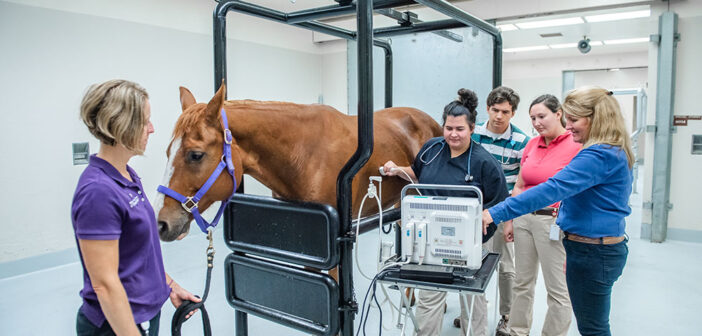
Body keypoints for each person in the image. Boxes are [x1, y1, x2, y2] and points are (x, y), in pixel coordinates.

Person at [483, 87, 633, 336]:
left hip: (592, 252)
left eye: (573, 119)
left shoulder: (598, 155)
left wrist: (496, 213)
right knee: (590, 324)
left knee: (592, 327)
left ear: (595, 118)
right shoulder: (611, 150)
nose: (569, 125)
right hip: (589, 247)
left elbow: (552, 189)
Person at [73, 79, 199, 335]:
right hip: (116, 325)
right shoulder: (98, 191)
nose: (151, 129)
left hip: (143, 316)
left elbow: (139, 253)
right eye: (145, 121)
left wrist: (170, 286)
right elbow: (105, 285)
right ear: (121, 125)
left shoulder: (127, 176)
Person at [383, 88, 509, 336]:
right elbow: (417, 172)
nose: (453, 134)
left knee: (472, 298)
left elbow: (500, 202)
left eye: (460, 129)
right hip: (430, 242)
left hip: (469, 243)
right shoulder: (431, 149)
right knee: (430, 297)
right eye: (448, 128)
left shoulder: (484, 162)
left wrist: (487, 221)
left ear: (472, 129)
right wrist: (399, 170)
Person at [505, 94, 581, 336]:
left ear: (558, 114)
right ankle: (517, 331)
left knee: (558, 289)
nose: (536, 122)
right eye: (532, 118)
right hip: (524, 220)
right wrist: (510, 220)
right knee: (522, 283)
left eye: (542, 116)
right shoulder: (531, 144)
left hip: (554, 221)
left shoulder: (576, 145)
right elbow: (519, 185)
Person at [469, 86, 529, 335]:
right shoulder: (474, 134)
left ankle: (506, 315)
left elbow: (522, 183)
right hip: (474, 210)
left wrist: (510, 218)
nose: (499, 116)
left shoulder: (521, 142)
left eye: (505, 111)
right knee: (470, 263)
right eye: (495, 110)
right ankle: (472, 311)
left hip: (503, 210)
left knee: (505, 266)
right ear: (487, 109)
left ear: (513, 113)